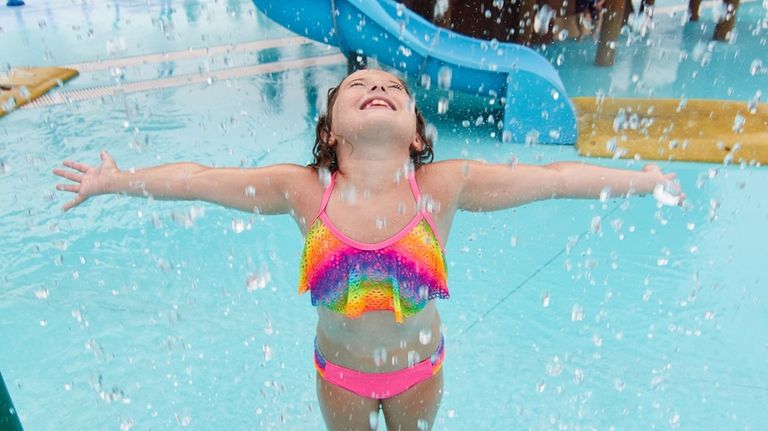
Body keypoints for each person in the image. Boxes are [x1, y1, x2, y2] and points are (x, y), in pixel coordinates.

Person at [53, 68, 683, 431]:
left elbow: (553, 181)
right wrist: (117, 181)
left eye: (393, 88)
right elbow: (200, 180)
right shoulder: (304, 192)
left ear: (415, 135)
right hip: (341, 377)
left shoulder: (442, 186)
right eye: (359, 85)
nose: (378, 87)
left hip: (418, 371)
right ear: (329, 131)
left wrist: (644, 181)